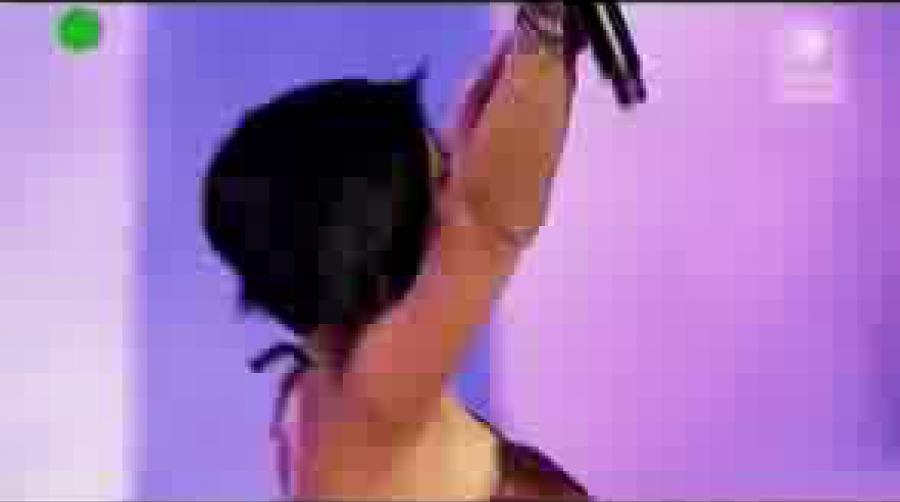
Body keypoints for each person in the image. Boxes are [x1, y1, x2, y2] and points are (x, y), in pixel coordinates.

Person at [203, 4, 592, 500]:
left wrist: (536, 46)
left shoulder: (331, 397)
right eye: (440, 180)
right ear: (376, 235)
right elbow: (485, 222)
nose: (454, 190)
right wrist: (544, 29)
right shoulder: (374, 397)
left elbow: (480, 198)